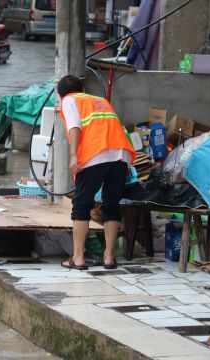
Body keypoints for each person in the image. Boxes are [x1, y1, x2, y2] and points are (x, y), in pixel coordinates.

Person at [57, 75, 135, 271]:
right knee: (111, 205)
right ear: (82, 88)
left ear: (61, 95)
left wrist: (74, 155)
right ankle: (108, 257)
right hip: (120, 155)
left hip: (94, 155)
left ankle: (78, 258)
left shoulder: (69, 100)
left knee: (81, 205)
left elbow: (75, 126)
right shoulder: (100, 101)